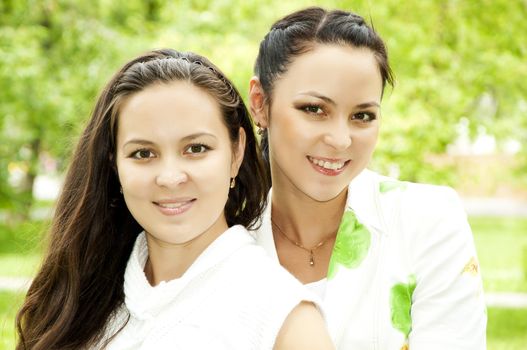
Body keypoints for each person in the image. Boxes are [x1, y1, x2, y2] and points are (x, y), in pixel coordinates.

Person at [15, 49, 334, 350]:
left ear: (236, 152)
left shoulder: (284, 317)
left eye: (196, 149)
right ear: (114, 165)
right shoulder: (80, 298)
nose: (170, 177)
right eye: (143, 153)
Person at [248, 7, 486, 350]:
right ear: (260, 103)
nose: (341, 139)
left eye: (362, 115)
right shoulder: (221, 237)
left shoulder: (428, 221)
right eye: (314, 109)